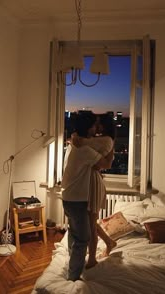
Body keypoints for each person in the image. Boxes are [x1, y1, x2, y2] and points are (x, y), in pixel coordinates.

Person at [61, 112, 114, 281]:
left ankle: (73, 262)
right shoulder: (84, 149)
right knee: (83, 238)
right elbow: (106, 164)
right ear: (88, 128)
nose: (96, 129)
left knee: (73, 232)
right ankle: (73, 277)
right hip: (77, 199)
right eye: (94, 126)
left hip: (68, 197)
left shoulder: (74, 144)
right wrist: (112, 146)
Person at [72, 113, 117, 269]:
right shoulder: (102, 140)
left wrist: (74, 137)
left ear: (104, 125)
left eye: (99, 123)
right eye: (95, 123)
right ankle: (109, 242)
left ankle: (92, 258)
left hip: (94, 183)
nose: (96, 127)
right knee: (90, 221)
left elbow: (81, 144)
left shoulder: (105, 140)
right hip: (90, 181)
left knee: (91, 223)